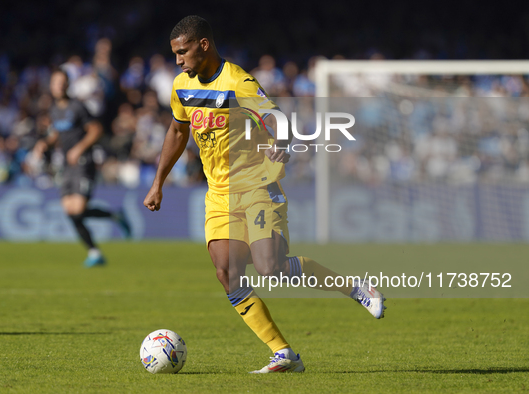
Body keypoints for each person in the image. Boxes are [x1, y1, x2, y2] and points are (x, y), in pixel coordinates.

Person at [143, 15, 386, 373]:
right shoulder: (182, 86)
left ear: (203, 45)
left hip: (256, 185)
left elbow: (275, 118)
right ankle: (284, 353)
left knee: (271, 267)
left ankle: (353, 287)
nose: (178, 61)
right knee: (226, 273)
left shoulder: (238, 81)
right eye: (175, 54)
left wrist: (280, 144)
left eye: (183, 52)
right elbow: (178, 132)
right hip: (219, 195)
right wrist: (158, 182)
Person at [32, 69, 131, 267]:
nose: (58, 86)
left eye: (62, 82)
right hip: (68, 166)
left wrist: (78, 148)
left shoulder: (77, 107)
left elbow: (96, 130)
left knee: (77, 209)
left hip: (84, 163)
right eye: (55, 82)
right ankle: (96, 250)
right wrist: (45, 143)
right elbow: (58, 134)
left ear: (67, 85)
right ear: (51, 86)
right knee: (70, 211)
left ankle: (103, 237)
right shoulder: (54, 110)